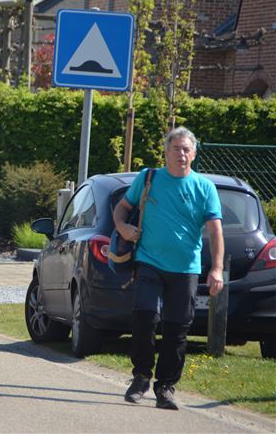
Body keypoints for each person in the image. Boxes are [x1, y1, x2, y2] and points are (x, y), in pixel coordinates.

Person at [113, 126, 224, 411]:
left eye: (187, 149)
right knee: (145, 318)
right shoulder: (148, 178)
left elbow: (215, 231)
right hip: (149, 261)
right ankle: (141, 377)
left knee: (177, 329)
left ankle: (165, 387)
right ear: (166, 152)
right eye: (176, 149)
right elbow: (121, 208)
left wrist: (216, 269)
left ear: (194, 154)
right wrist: (122, 228)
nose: (181, 154)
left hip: (186, 269)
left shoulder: (205, 188)